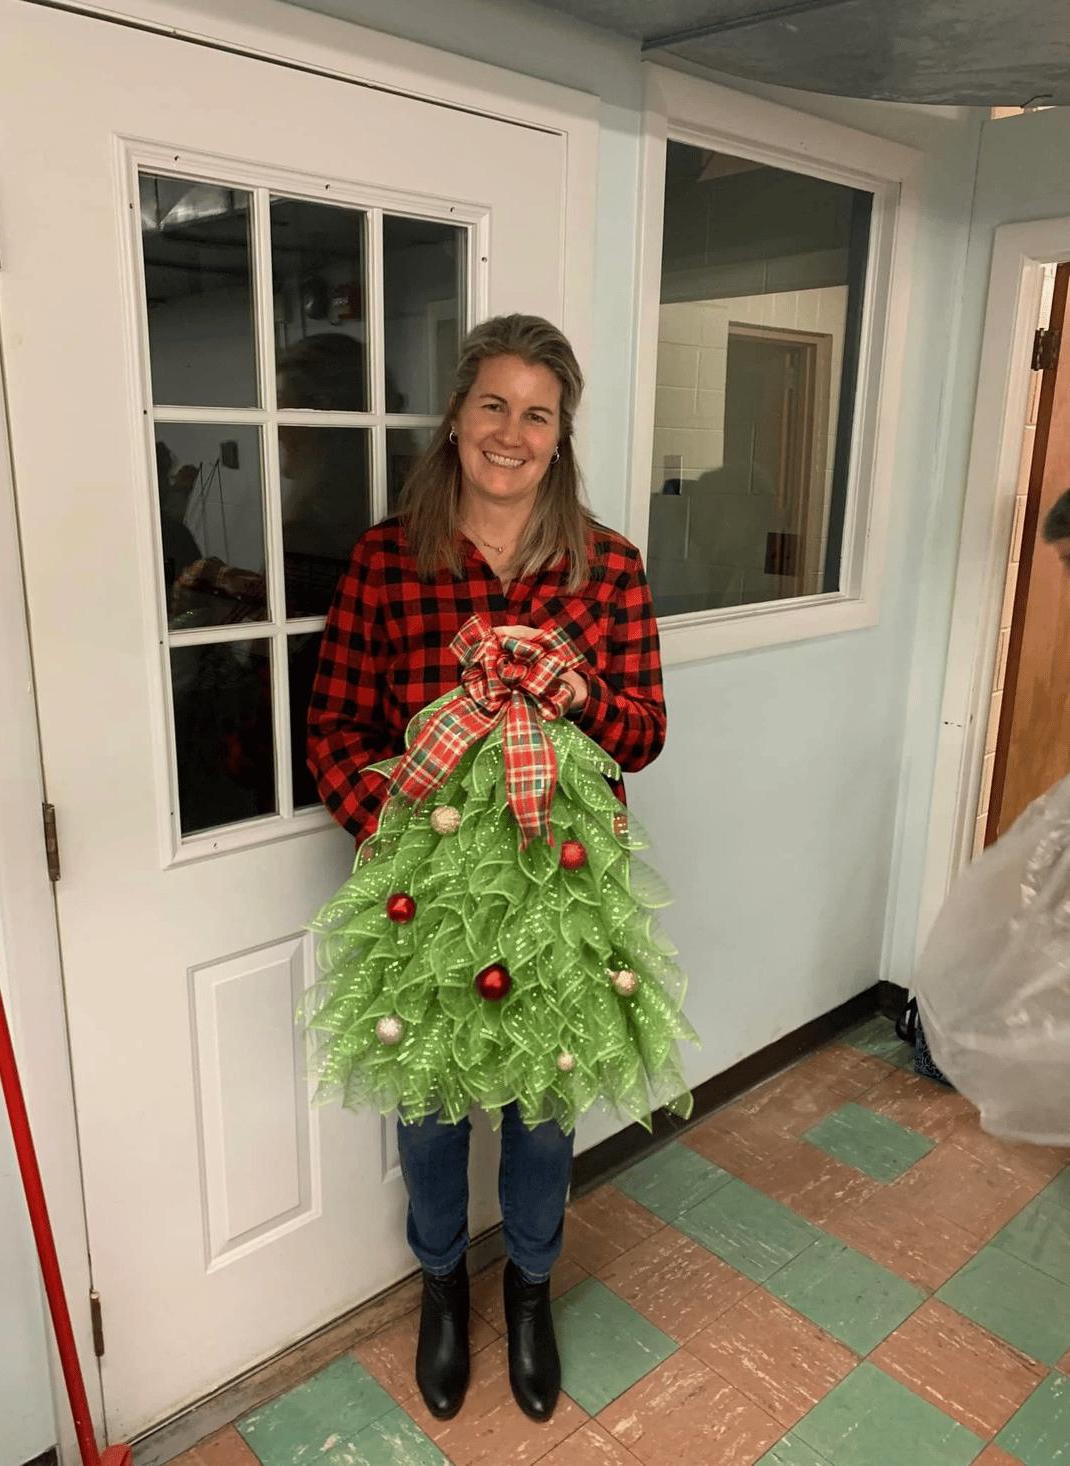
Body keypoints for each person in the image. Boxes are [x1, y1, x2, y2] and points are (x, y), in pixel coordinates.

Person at [305, 314, 670, 1424]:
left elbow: (644, 731)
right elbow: (329, 731)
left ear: (560, 436)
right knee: (427, 1108)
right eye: (492, 406)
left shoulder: (605, 566)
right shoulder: (385, 558)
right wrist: (413, 827)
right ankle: (439, 1286)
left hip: (557, 893)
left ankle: (526, 1286)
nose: (510, 433)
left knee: (543, 1109)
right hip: (424, 901)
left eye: (536, 413)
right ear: (456, 417)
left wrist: (586, 702)